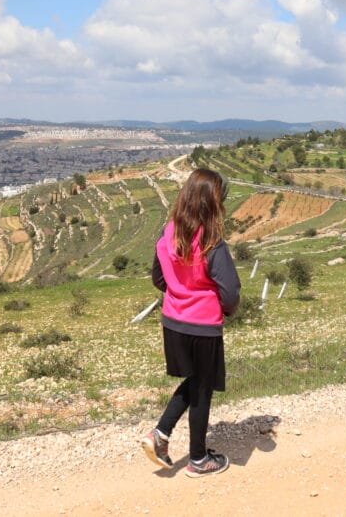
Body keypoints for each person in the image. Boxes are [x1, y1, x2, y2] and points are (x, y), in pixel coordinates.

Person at [141, 168, 240, 477]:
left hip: (173, 321)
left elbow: (158, 277)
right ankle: (198, 459)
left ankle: (160, 434)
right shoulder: (212, 241)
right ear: (212, 202)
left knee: (195, 381)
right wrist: (225, 309)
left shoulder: (167, 232)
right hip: (203, 324)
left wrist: (180, 292)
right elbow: (231, 291)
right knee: (202, 387)